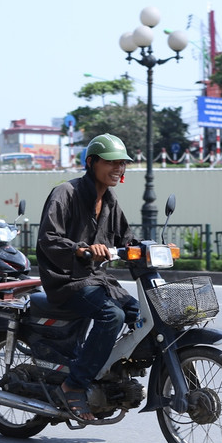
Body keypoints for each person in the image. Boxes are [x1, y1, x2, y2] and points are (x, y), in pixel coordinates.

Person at [36, 133, 140, 421]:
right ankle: (74, 384)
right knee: (112, 317)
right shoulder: (65, 193)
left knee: (140, 313)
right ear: (91, 162)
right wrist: (81, 250)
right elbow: (48, 239)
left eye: (122, 163)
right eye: (112, 163)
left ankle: (111, 373)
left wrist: (150, 248)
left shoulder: (109, 200)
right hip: (67, 280)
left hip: (97, 280)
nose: (119, 169)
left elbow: (126, 238)